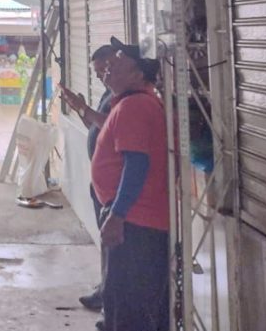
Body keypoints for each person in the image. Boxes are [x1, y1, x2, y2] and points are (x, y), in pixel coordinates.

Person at [90, 37, 168, 331]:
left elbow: (137, 165)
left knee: (128, 309)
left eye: (118, 61)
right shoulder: (132, 103)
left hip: (136, 224)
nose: (109, 65)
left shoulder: (135, 106)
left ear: (137, 74)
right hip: (137, 221)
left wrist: (117, 215)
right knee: (129, 303)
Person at [60, 44, 117, 324]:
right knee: (106, 243)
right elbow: (95, 126)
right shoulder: (109, 94)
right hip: (101, 183)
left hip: (114, 186)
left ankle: (111, 299)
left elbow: (110, 125)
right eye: (95, 72)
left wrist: (85, 109)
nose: (98, 76)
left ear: (112, 65)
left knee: (114, 246)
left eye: (101, 70)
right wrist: (81, 111)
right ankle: (105, 289)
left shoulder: (125, 98)